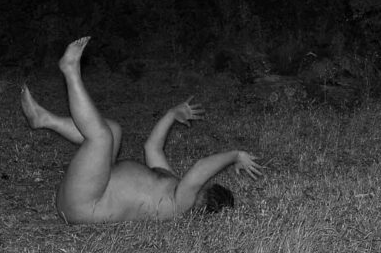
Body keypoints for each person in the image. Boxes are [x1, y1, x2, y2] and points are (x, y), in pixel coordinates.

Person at [19, 35, 262, 223]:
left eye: (204, 187)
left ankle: (70, 70)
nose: (199, 184)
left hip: (84, 204)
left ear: (205, 200)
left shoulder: (181, 205)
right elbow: (152, 147)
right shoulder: (170, 185)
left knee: (102, 138)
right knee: (112, 131)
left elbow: (199, 170)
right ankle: (44, 120)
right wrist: (170, 115)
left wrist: (235, 155)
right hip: (86, 193)